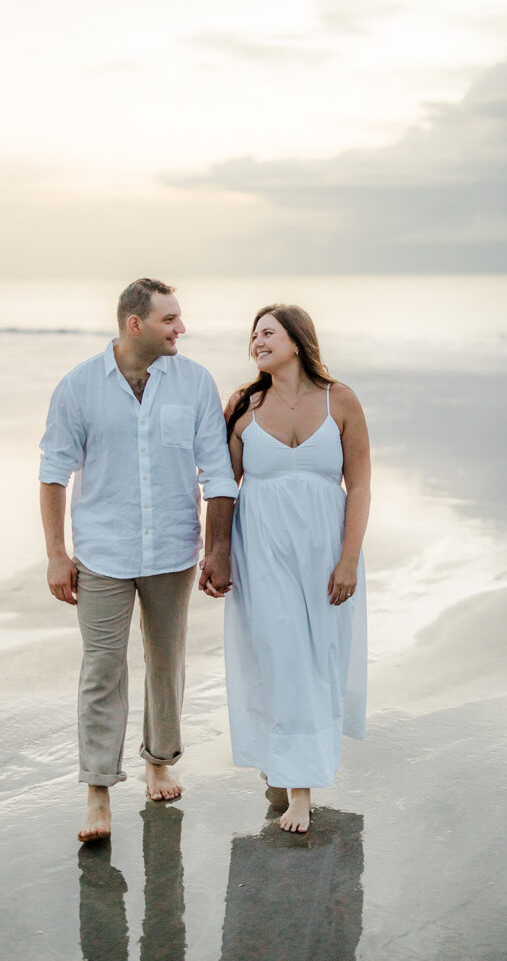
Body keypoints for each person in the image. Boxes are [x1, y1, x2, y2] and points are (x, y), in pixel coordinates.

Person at [39, 278, 237, 842]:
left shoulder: (195, 382)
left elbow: (217, 472)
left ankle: (159, 760)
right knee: (102, 667)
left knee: (166, 661)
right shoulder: (79, 387)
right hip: (102, 550)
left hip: (173, 549)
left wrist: (218, 548)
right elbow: (54, 473)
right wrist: (58, 555)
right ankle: (98, 791)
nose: (181, 328)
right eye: (169, 319)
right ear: (135, 324)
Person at [213, 303, 369, 834]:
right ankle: (299, 788)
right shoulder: (243, 405)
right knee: (281, 653)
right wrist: (216, 553)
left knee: (318, 658)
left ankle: (292, 764)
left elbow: (361, 485)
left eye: (268, 333)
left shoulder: (340, 400)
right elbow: (221, 486)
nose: (256, 342)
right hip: (262, 549)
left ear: (297, 342)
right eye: (253, 335)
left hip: (326, 551)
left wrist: (349, 557)